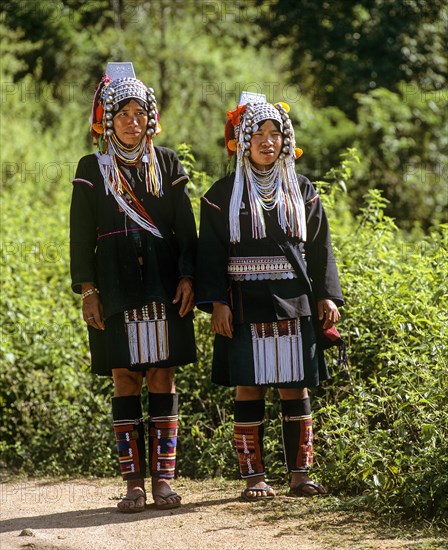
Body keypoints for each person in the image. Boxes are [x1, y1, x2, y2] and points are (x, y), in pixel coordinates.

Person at [196, 94, 343, 500]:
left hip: (295, 300)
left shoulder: (303, 189)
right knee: (250, 387)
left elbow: (320, 247)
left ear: (285, 140)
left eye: (274, 133)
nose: (266, 141)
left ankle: (300, 475)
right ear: (242, 142)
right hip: (243, 303)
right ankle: (254, 478)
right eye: (257, 133)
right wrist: (217, 302)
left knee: (296, 387)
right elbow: (209, 253)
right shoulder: (220, 195)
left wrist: (327, 296)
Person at [70, 63, 197, 512]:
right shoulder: (92, 168)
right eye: (121, 112)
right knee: (124, 377)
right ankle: (133, 485)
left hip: (163, 284)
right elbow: (80, 235)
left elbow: (185, 228)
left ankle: (164, 481)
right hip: (114, 286)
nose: (131, 120)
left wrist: (187, 275)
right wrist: (88, 291)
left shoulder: (167, 164)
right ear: (107, 118)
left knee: (163, 372)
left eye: (138, 112)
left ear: (150, 117)